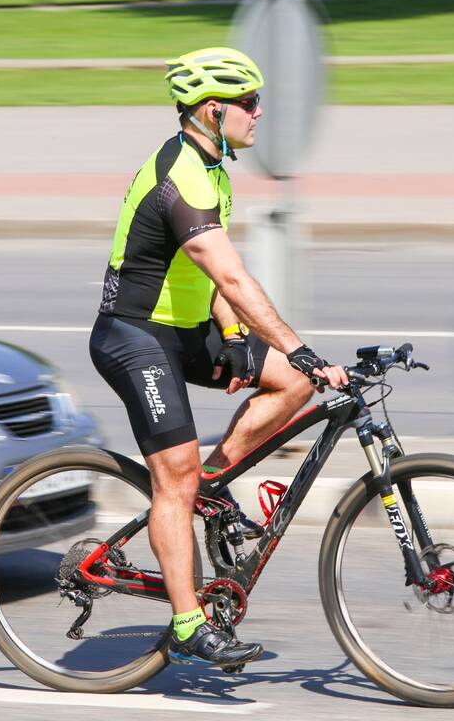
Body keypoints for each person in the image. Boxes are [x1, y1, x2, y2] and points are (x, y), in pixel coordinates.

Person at [89, 47, 349, 668]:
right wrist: (299, 347)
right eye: (249, 103)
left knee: (292, 385)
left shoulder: (215, 170)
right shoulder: (181, 175)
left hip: (186, 330)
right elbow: (231, 276)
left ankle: (209, 487)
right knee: (173, 476)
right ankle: (186, 623)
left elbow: (208, 278)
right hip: (134, 336)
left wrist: (234, 337)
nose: (259, 113)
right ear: (213, 110)